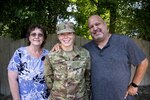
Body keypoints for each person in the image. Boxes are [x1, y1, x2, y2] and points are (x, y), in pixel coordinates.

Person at [52, 15, 149, 100]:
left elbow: (143, 62)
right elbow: (70, 53)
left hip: (122, 97)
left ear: (105, 24)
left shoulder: (124, 42)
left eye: (97, 24)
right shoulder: (85, 50)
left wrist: (134, 85)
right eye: (91, 27)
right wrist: (60, 46)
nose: (95, 28)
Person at [44, 21, 91, 100]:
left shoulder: (84, 54)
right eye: (62, 34)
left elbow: (87, 78)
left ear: (74, 35)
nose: (66, 37)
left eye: (69, 33)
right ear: (58, 36)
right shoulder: (51, 56)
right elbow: (48, 79)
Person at [7, 24, 50, 100]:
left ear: (44, 38)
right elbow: (12, 79)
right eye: (33, 34)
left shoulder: (48, 55)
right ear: (29, 37)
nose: (37, 37)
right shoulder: (20, 53)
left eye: (40, 35)